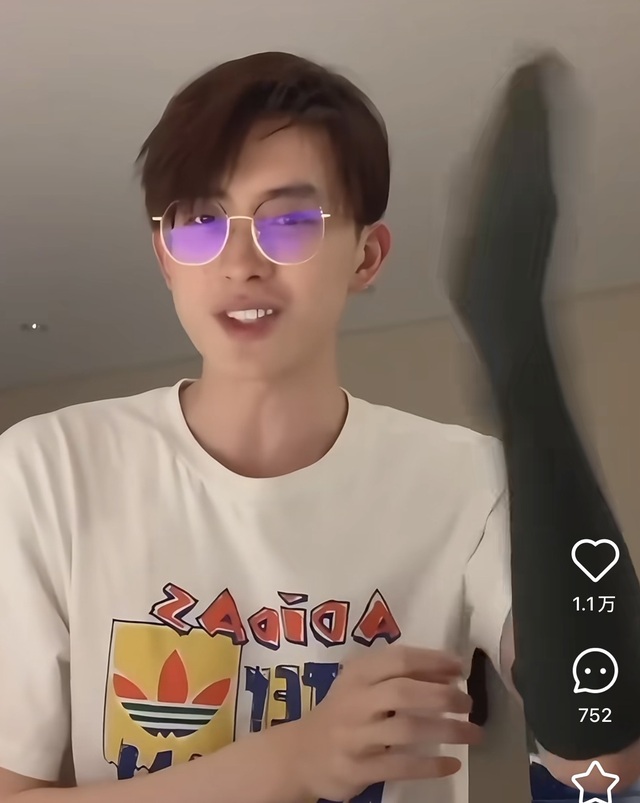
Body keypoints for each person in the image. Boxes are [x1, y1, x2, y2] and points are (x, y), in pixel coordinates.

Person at [0, 51, 635, 803]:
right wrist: (289, 763)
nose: (240, 261)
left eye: (290, 220)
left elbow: (601, 750)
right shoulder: (47, 471)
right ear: (166, 257)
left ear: (366, 256)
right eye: (200, 221)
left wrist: (525, 378)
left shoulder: (466, 481)